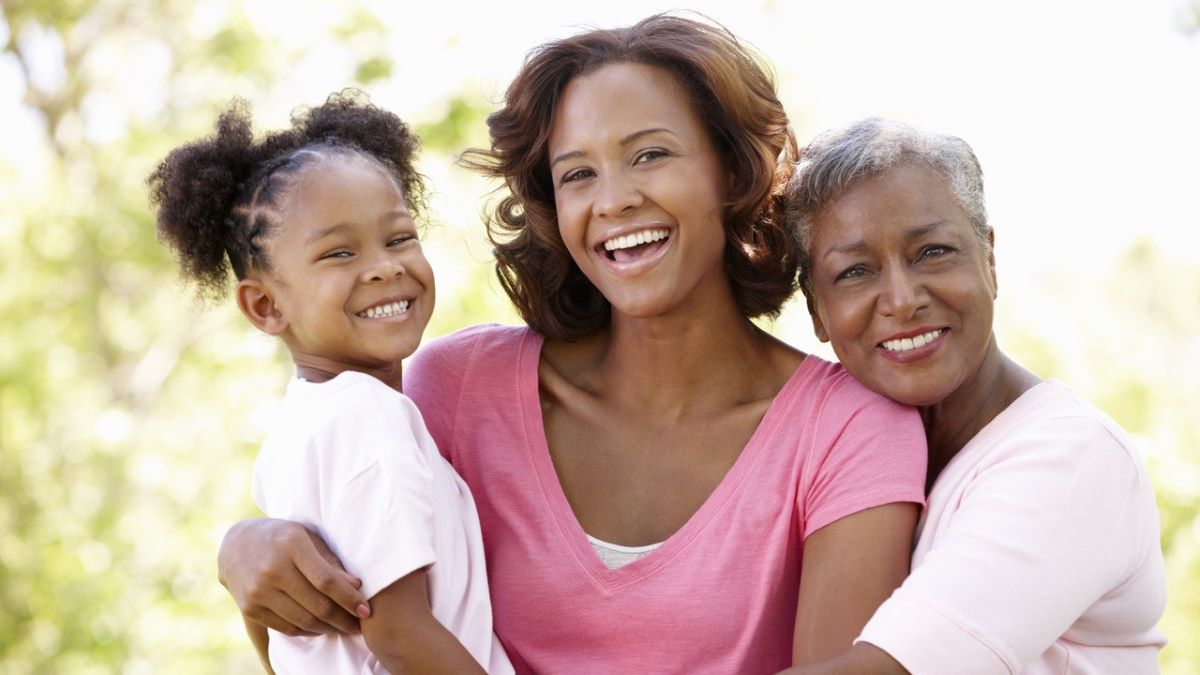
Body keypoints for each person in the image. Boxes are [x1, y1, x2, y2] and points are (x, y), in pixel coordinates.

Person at [216, 15, 930, 674]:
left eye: (649, 154)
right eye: (578, 173)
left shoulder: (850, 429)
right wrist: (248, 555)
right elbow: (348, 640)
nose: (613, 199)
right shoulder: (456, 389)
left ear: (731, 171)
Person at [779, 118, 1167, 674]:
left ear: (988, 258)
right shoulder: (848, 461)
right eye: (855, 271)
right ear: (817, 309)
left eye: (933, 252)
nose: (903, 299)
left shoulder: (1069, 455)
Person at [149, 92, 512, 675]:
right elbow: (397, 634)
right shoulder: (367, 415)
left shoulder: (297, 432)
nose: (384, 266)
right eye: (339, 252)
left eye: (398, 238)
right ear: (265, 305)